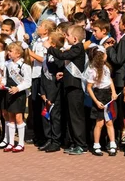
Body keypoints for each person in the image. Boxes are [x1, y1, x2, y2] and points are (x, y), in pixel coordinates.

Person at [47, 25, 87, 155]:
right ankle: (75, 143)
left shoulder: (78, 48)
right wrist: (64, 74)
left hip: (75, 88)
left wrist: (49, 48)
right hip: (70, 85)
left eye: (68, 35)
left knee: (76, 117)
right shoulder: (75, 48)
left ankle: (81, 144)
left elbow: (63, 56)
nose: (66, 37)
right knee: (71, 116)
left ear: (75, 38)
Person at [28, 20, 56, 148]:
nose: (38, 27)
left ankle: (46, 137)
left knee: (42, 106)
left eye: (40, 26)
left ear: (46, 30)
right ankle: (37, 135)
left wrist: (31, 53)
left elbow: (44, 59)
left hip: (43, 76)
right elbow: (33, 59)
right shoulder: (37, 41)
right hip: (34, 75)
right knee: (34, 105)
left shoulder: (47, 42)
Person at [86, 46, 118, 156]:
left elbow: (110, 81)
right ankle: (96, 145)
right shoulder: (93, 70)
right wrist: (96, 101)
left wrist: (113, 92)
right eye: (105, 54)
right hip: (99, 94)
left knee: (109, 121)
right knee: (99, 123)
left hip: (108, 94)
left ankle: (112, 143)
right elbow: (89, 87)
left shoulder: (106, 68)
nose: (107, 56)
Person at [0, 42, 32, 153]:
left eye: (11, 51)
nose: (8, 53)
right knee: (10, 117)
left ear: (18, 54)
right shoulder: (7, 64)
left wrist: (17, 88)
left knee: (19, 117)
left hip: (19, 94)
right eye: (8, 51)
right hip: (9, 93)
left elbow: (28, 82)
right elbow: (4, 78)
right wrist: (2, 84)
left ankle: (21, 143)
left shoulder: (25, 66)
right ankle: (11, 142)